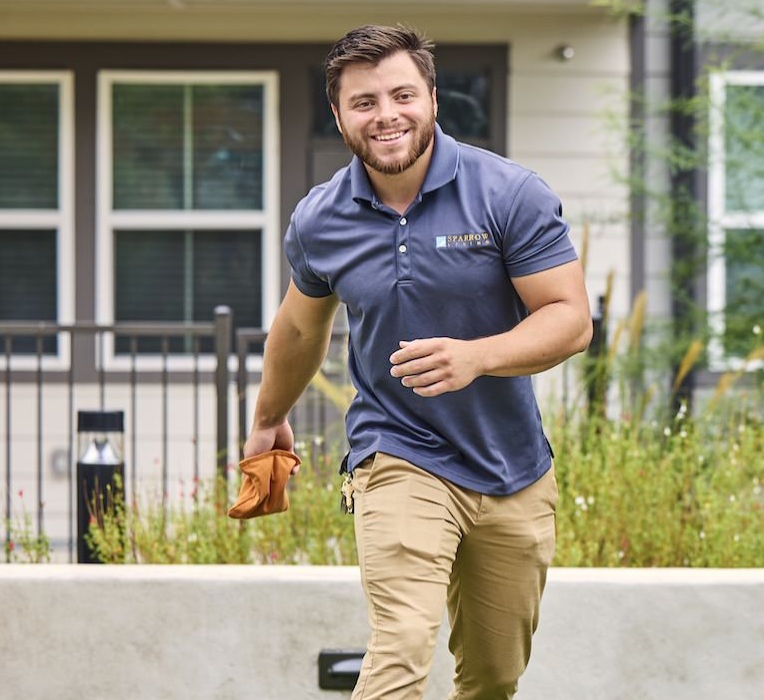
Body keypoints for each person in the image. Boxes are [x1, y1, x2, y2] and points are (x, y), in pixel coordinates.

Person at [242, 24, 591, 700]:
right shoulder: (321, 220)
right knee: (400, 642)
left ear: (432, 97)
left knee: (493, 676)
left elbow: (570, 318)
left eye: (402, 94)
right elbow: (297, 327)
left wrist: (479, 357)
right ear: (339, 115)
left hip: (511, 469)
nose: (386, 115)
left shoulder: (506, 194)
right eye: (364, 102)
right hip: (397, 452)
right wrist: (267, 419)